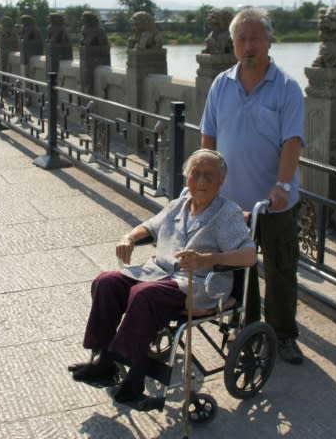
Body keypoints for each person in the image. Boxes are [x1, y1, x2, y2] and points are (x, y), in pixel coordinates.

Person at [70, 149, 257, 404]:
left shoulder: (227, 213)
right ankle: (103, 356)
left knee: (144, 295)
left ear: (221, 181)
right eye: (196, 174)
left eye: (209, 176)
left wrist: (208, 259)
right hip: (158, 273)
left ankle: (129, 380)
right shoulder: (177, 205)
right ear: (187, 177)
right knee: (107, 282)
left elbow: (249, 256)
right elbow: (149, 226)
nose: (201, 181)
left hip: (199, 284)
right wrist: (129, 237)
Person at [199, 7, 306, 365]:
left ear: (269, 42)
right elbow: (208, 135)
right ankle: (250, 330)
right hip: (231, 203)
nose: (248, 45)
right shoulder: (221, 84)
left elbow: (292, 141)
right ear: (233, 44)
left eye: (254, 38)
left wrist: (282, 185)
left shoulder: (287, 88)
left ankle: (284, 334)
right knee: (241, 269)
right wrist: (204, 179)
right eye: (241, 39)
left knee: (280, 270)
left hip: (273, 202)